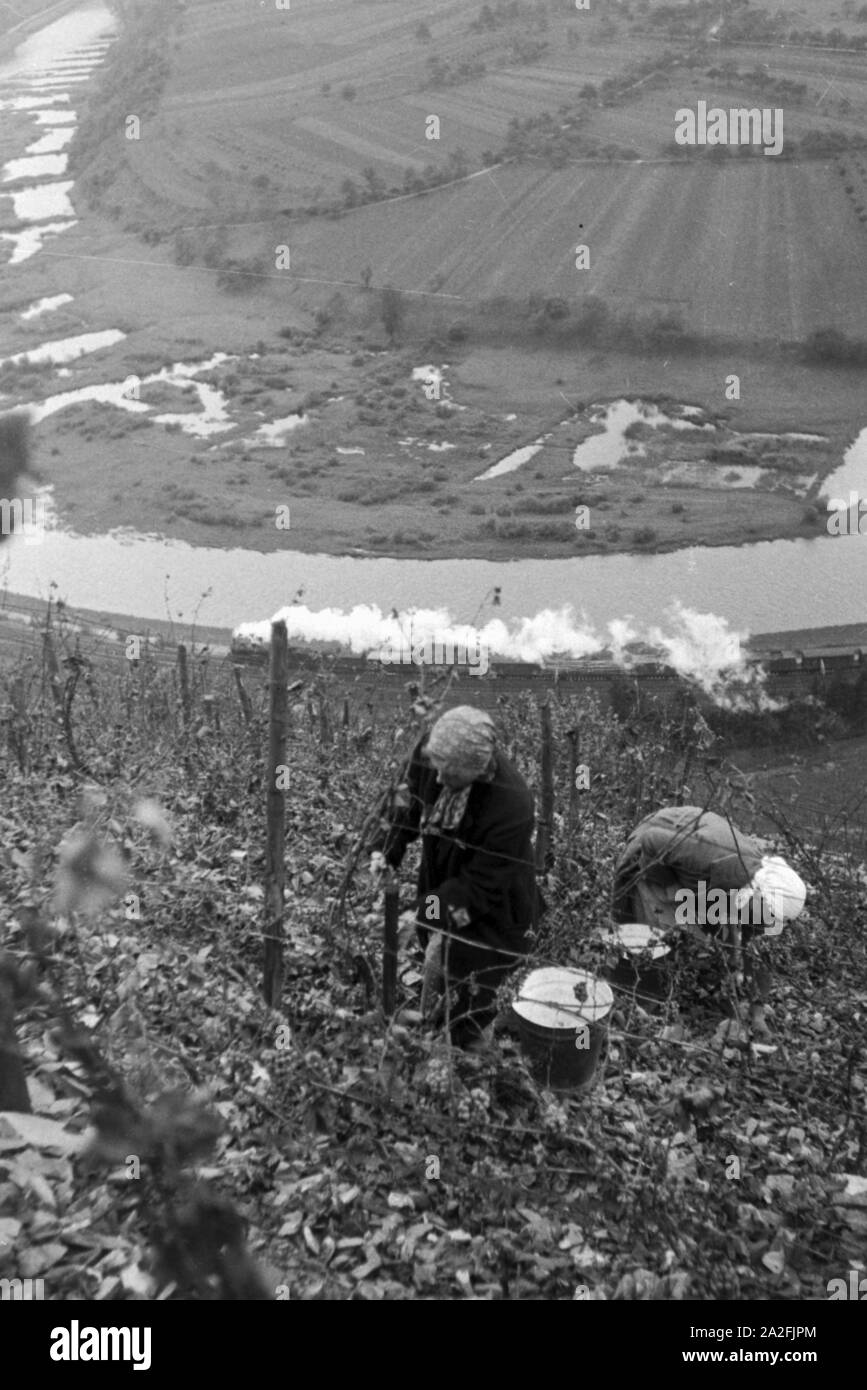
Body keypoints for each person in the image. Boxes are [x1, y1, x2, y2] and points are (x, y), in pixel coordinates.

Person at [369, 706, 542, 1050]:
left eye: (449, 776)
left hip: (494, 908)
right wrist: (383, 851)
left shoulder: (511, 806)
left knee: (472, 992)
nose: (436, 780)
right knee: (436, 956)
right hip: (447, 881)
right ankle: (432, 1032)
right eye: (436, 768)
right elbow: (404, 807)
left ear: (476, 773)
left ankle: (471, 1052)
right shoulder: (432, 753)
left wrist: (419, 911)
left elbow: (476, 889)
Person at [611, 806, 806, 1019]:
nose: (767, 922)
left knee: (710, 921)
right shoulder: (713, 856)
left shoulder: (762, 901)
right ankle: (644, 997)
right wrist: (670, 886)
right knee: (660, 933)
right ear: (758, 894)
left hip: (698, 867)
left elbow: (757, 951)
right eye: (767, 916)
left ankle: (711, 975)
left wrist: (757, 1013)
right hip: (656, 846)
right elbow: (651, 840)